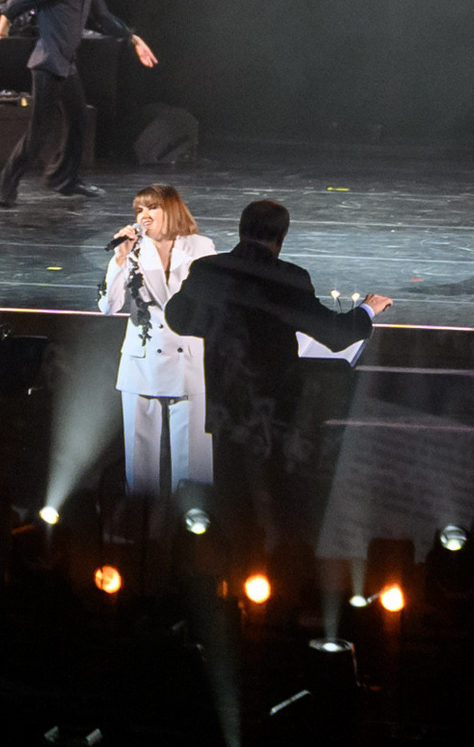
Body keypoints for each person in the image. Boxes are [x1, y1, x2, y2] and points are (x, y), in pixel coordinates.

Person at [164, 199, 386, 546]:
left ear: (241, 229)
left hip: (227, 406)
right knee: (280, 495)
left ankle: (232, 559)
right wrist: (368, 310)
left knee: (231, 499)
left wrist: (222, 324)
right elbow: (336, 334)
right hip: (276, 412)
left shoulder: (208, 269)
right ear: (281, 236)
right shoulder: (288, 278)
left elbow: (178, 318)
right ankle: (283, 558)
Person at [0, 0, 158, 209]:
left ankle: (64, 179)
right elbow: (18, 1)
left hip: (66, 64)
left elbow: (104, 18)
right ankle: (2, 189)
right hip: (47, 64)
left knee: (78, 119)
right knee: (39, 133)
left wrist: (133, 38)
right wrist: (2, 27)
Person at [100, 186, 216, 500]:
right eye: (139, 210)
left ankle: (191, 521)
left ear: (172, 210)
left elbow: (214, 298)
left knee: (193, 466)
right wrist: (120, 259)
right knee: (140, 467)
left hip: (187, 361)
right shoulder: (133, 250)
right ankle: (140, 521)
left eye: (152, 208)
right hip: (142, 363)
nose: (145, 216)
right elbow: (109, 306)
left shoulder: (200, 246)